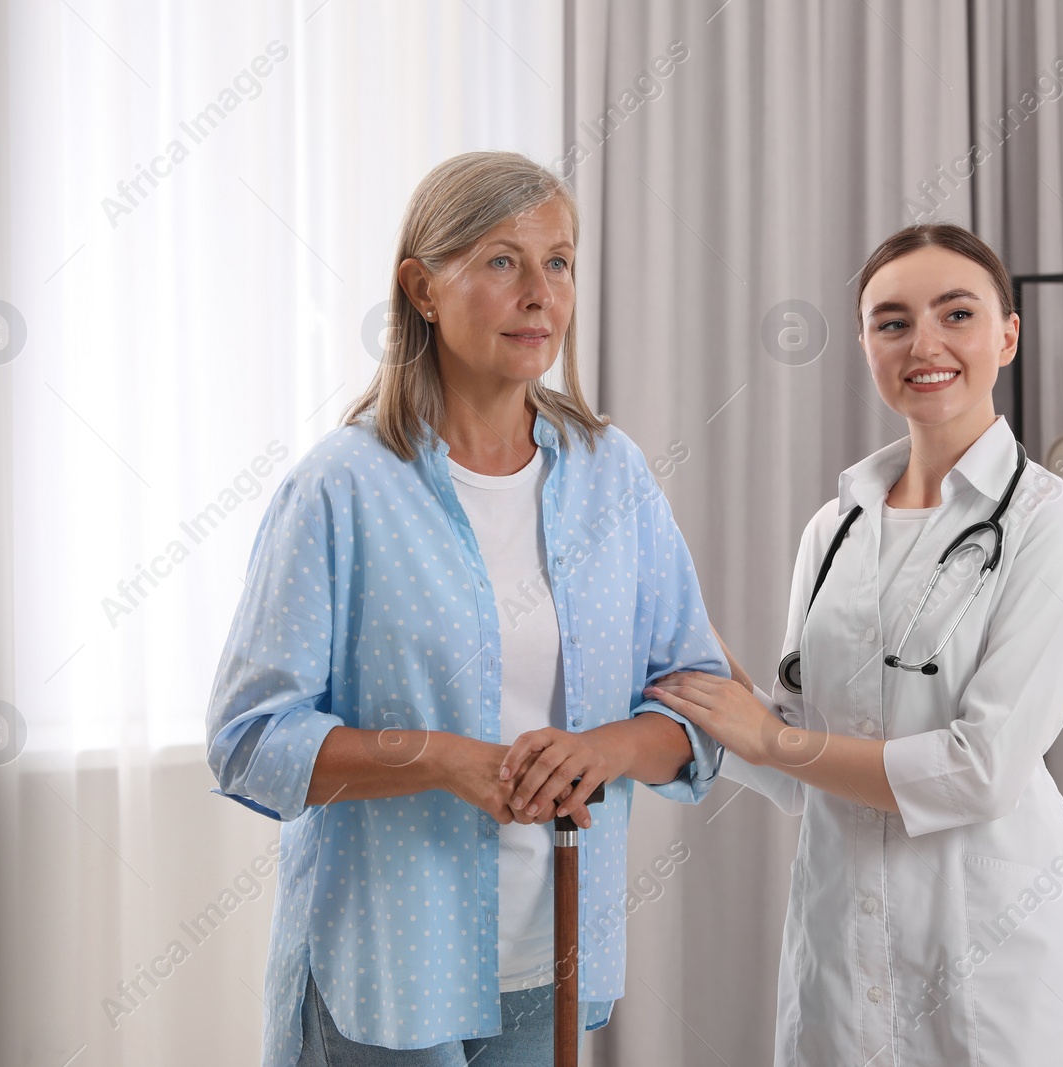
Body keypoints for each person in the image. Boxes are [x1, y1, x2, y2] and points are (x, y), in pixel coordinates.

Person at [205, 150, 727, 1067]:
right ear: (422, 289)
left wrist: (602, 749)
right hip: (386, 969)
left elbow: (699, 700)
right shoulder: (341, 489)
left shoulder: (615, 477)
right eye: (501, 260)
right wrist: (444, 760)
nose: (539, 293)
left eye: (558, 262)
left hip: (553, 958)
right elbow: (250, 739)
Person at [647, 223, 1063, 1065]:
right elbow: (794, 759)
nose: (925, 344)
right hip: (842, 963)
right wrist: (701, 668)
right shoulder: (835, 529)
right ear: (868, 343)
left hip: (996, 972)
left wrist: (773, 735)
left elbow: (981, 770)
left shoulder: (1053, 526)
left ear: (1007, 335)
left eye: (957, 314)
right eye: (893, 321)